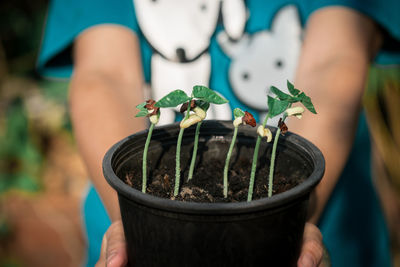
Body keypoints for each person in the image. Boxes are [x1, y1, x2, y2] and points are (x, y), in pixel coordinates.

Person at [37, 0, 400, 266]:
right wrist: (135, 221)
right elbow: (105, 75)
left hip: (318, 230)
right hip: (136, 244)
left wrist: (291, 215)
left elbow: (335, 59)